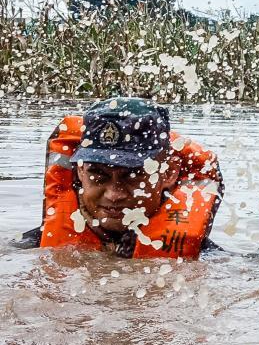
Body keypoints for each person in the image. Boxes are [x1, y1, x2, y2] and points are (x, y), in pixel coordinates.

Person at [23, 97, 222, 259]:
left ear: (169, 173)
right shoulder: (32, 247)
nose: (114, 194)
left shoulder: (205, 258)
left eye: (133, 177)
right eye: (99, 176)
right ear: (80, 171)